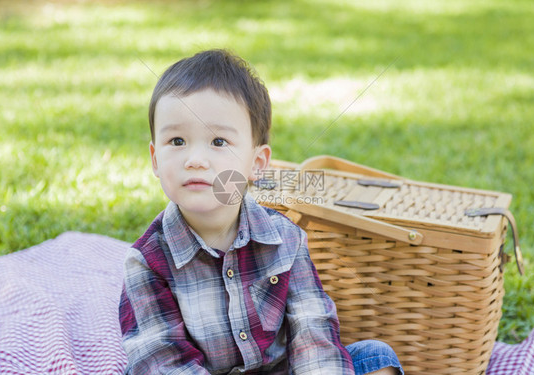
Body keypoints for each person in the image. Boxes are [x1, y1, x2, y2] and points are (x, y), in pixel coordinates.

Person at [118, 49, 403, 375]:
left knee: (378, 359)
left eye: (219, 142)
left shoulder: (285, 238)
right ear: (155, 159)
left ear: (256, 163)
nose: (195, 159)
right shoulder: (147, 262)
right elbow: (163, 362)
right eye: (178, 140)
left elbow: (312, 331)